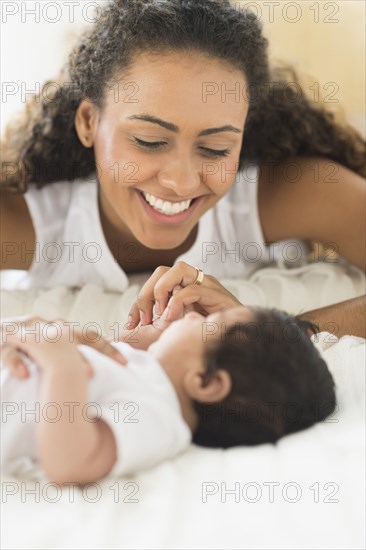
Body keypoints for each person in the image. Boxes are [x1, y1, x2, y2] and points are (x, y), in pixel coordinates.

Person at [1, 0, 365, 337]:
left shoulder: (285, 193)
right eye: (149, 141)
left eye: (215, 148)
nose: (181, 181)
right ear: (87, 122)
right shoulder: (31, 220)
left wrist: (270, 334)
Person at [1, 301, 335, 484]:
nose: (191, 313)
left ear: (205, 383)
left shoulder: (160, 419)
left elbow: (71, 463)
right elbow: (106, 368)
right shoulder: (148, 378)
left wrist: (61, 365)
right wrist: (140, 340)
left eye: (208, 323)